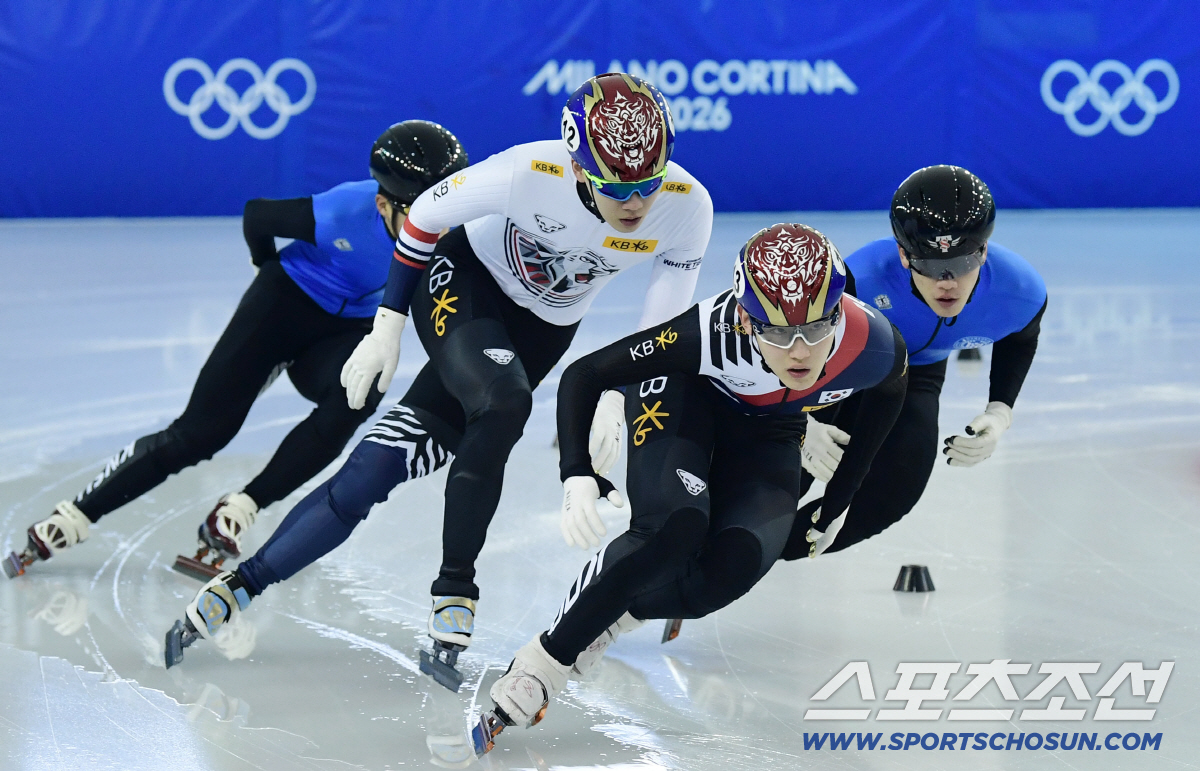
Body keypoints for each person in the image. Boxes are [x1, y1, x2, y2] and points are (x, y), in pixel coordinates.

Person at [163, 72, 715, 688]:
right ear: (581, 167)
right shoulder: (530, 173)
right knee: (506, 403)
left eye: (649, 181)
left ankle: (243, 582)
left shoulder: (687, 205)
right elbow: (424, 215)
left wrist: (622, 396)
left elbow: (663, 322)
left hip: (542, 330)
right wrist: (388, 326)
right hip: (466, 280)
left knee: (378, 467)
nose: (638, 203)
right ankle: (456, 587)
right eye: (620, 187)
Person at [471, 223, 909, 753]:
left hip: (770, 431)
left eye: (815, 330)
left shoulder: (876, 344)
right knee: (674, 530)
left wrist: (840, 499)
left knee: (728, 573)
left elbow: (888, 399)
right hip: (687, 400)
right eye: (776, 333)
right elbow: (585, 375)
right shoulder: (708, 334)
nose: (798, 352)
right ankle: (543, 661)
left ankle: (615, 611)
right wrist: (577, 474)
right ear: (747, 319)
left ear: (839, 311)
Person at [4, 121, 468, 580]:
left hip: (343, 330)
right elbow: (258, 216)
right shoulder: (342, 211)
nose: (432, 230)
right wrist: (265, 271)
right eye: (418, 215)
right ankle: (74, 516)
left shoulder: (441, 229)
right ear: (383, 203)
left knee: (359, 394)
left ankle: (240, 508)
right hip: (282, 305)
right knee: (202, 433)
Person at [780, 165, 1046, 560]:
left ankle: (742, 561)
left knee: (897, 490)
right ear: (903, 256)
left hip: (918, 375)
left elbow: (1020, 339)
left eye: (961, 264)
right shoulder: (856, 281)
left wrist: (999, 410)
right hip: (846, 366)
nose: (947, 283)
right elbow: (790, 351)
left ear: (984, 251)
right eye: (930, 266)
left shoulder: (1020, 291)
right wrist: (800, 421)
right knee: (784, 472)